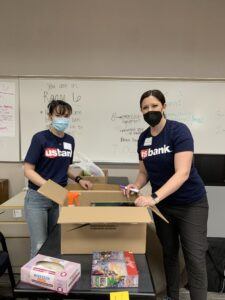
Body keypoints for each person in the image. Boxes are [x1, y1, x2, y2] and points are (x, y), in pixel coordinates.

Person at [125, 90, 208, 300]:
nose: (150, 111)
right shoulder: (143, 139)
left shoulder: (178, 131)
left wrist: (153, 197)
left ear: (163, 106)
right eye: (145, 108)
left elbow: (183, 173)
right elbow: (144, 172)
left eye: (154, 106)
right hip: (163, 207)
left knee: (194, 259)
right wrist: (135, 185)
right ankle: (172, 297)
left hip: (191, 204)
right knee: (169, 254)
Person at [24, 99, 92, 258]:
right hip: (37, 198)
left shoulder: (70, 141)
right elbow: (28, 170)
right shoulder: (40, 138)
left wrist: (79, 179)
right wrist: (49, 188)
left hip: (57, 199)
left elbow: (65, 167)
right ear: (50, 116)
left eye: (66, 116)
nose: (63, 119)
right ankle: (36, 281)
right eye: (59, 115)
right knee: (39, 245)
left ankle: (50, 279)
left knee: (52, 243)